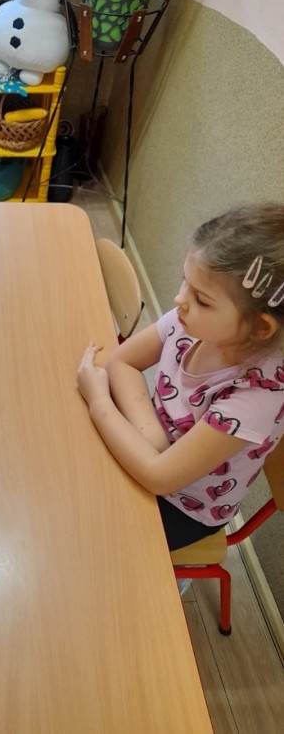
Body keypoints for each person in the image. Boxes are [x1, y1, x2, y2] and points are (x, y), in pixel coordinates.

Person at [77, 202, 284, 555]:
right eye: (185, 282)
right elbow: (122, 362)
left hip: (183, 507)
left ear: (259, 327)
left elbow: (159, 478)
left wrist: (99, 402)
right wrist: (152, 438)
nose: (179, 299)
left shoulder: (255, 398)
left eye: (201, 299)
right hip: (151, 452)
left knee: (86, 537)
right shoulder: (194, 320)